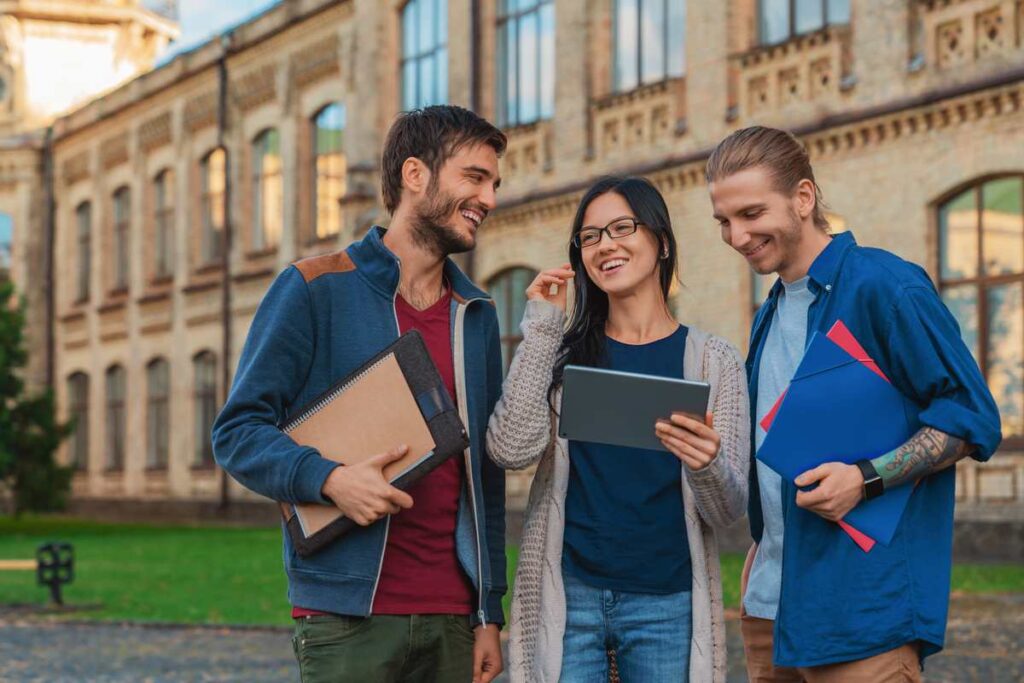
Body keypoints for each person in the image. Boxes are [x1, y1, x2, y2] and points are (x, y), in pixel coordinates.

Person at [212, 105, 508, 683]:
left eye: (495, 184)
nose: (490, 198)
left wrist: (486, 612)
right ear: (415, 175)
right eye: (475, 177)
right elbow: (237, 432)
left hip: (453, 619)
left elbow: (484, 477)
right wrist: (328, 479)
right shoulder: (313, 288)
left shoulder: (477, 314)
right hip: (345, 617)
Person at [706, 126, 1002, 682]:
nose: (736, 236)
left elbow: (971, 414)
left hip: (861, 612)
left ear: (803, 197)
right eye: (724, 221)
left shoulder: (884, 286)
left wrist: (864, 479)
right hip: (771, 607)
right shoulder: (769, 312)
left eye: (750, 213)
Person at [486, 175, 749, 682]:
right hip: (570, 601)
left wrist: (707, 462)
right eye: (590, 236)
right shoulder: (561, 355)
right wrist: (540, 326)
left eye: (622, 228)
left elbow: (728, 511)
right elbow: (510, 449)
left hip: (668, 605)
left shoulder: (712, 362)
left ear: (662, 241)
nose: (605, 244)